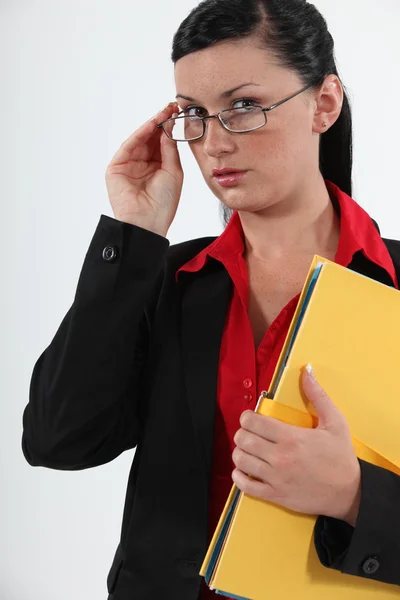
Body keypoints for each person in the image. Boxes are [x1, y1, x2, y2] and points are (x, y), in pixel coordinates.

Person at [21, 0, 400, 598]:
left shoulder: (396, 286)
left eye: (243, 107)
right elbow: (57, 440)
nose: (214, 143)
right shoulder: (168, 280)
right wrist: (136, 236)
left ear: (324, 104)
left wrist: (354, 496)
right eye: (195, 114)